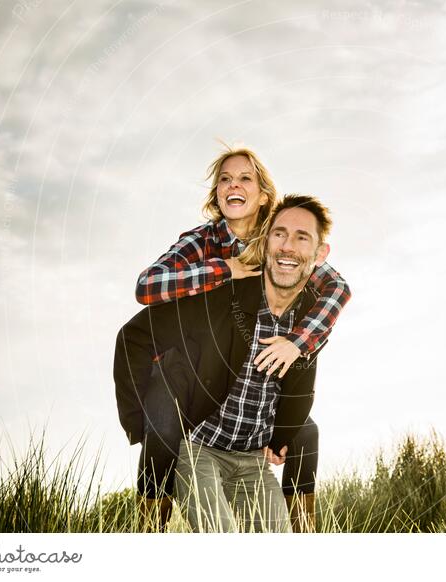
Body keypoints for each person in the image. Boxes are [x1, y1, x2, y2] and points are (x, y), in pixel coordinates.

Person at [128, 147, 349, 531]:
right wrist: (223, 269)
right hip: (194, 368)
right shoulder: (203, 241)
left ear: (264, 194)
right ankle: (149, 527)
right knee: (163, 426)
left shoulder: (276, 241)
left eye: (245, 178)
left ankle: (304, 531)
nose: (233, 185)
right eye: (225, 180)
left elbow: (337, 286)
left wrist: (298, 342)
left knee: (305, 432)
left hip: (244, 378)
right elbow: (148, 285)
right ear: (216, 195)